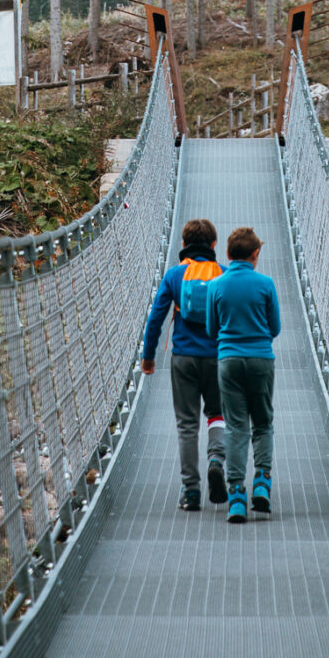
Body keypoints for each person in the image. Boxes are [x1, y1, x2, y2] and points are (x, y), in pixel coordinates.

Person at [141, 217, 228, 510]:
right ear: (214, 245)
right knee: (217, 414)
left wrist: (149, 356)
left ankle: (191, 491)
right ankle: (216, 458)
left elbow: (156, 319)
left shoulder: (175, 275)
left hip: (183, 359)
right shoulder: (224, 274)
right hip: (218, 358)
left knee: (187, 424)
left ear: (183, 245)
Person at [206, 225, 281, 524]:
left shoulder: (216, 285)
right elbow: (275, 328)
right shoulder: (266, 284)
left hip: (229, 360)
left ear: (227, 254)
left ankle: (236, 497)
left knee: (236, 426)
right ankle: (262, 481)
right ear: (256, 254)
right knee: (262, 422)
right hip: (261, 359)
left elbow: (212, 330)